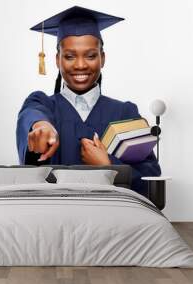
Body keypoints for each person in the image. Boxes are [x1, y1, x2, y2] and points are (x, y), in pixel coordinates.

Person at [16, 6, 161, 196]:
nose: (80, 65)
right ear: (58, 60)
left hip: (111, 221)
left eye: (91, 55)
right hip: (54, 218)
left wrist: (108, 167)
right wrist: (41, 126)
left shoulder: (125, 114)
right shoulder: (43, 104)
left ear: (102, 58)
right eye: (69, 56)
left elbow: (150, 180)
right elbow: (32, 113)